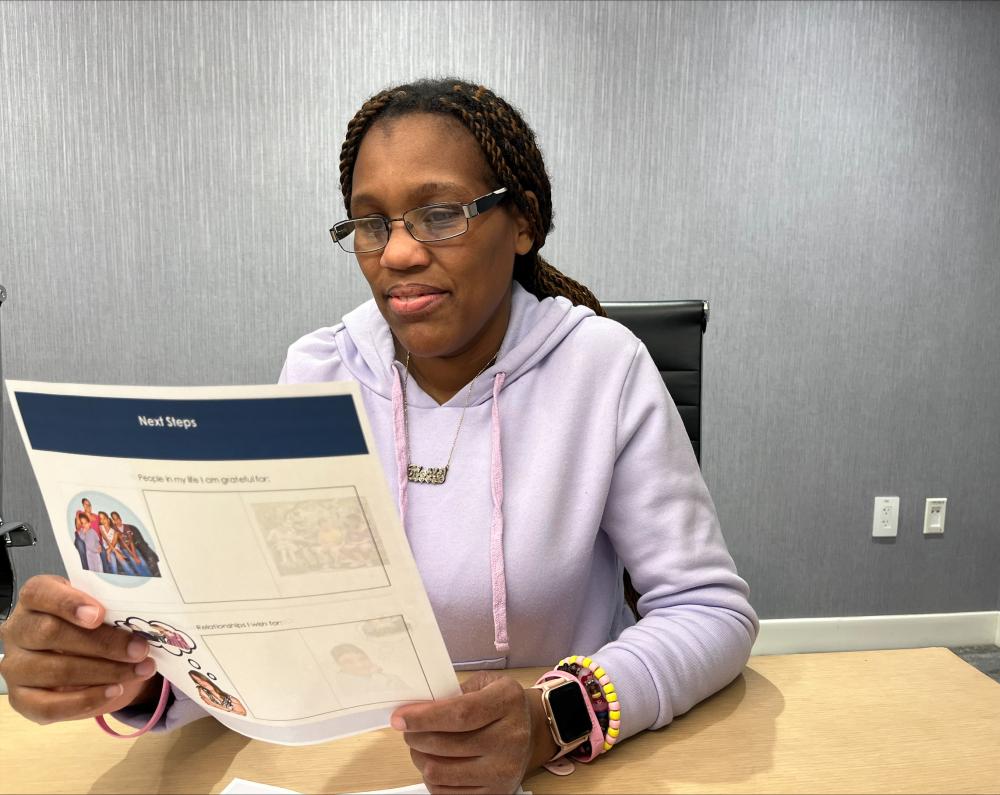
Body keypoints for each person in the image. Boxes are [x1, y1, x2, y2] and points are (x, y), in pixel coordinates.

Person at [0, 78, 757, 794]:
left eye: (440, 213)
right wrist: (131, 671)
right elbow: (260, 622)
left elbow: (709, 611)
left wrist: (547, 719)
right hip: (337, 763)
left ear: (523, 220)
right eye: (371, 222)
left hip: (553, 769)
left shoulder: (603, 367)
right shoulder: (320, 371)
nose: (396, 253)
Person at [110, 512, 160, 577]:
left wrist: (135, 555)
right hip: (125, 549)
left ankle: (150, 576)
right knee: (134, 562)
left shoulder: (126, 527)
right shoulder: (115, 529)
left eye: (118, 519)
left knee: (142, 561)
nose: (117, 521)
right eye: (114, 519)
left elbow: (131, 541)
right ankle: (143, 576)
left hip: (132, 547)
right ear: (113, 521)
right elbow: (124, 543)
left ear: (120, 519)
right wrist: (133, 556)